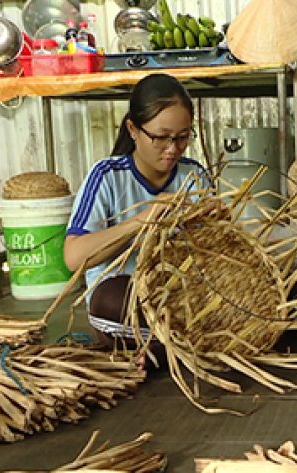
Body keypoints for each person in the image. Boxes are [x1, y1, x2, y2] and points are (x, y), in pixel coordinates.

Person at [64, 73, 210, 355]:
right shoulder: (107, 177)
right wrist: (142, 220)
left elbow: (213, 256)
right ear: (133, 129)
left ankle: (164, 348)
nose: (172, 149)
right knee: (111, 301)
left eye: (182, 138)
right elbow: (74, 258)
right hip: (129, 305)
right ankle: (172, 346)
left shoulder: (193, 175)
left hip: (180, 301)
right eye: (160, 138)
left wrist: (214, 222)